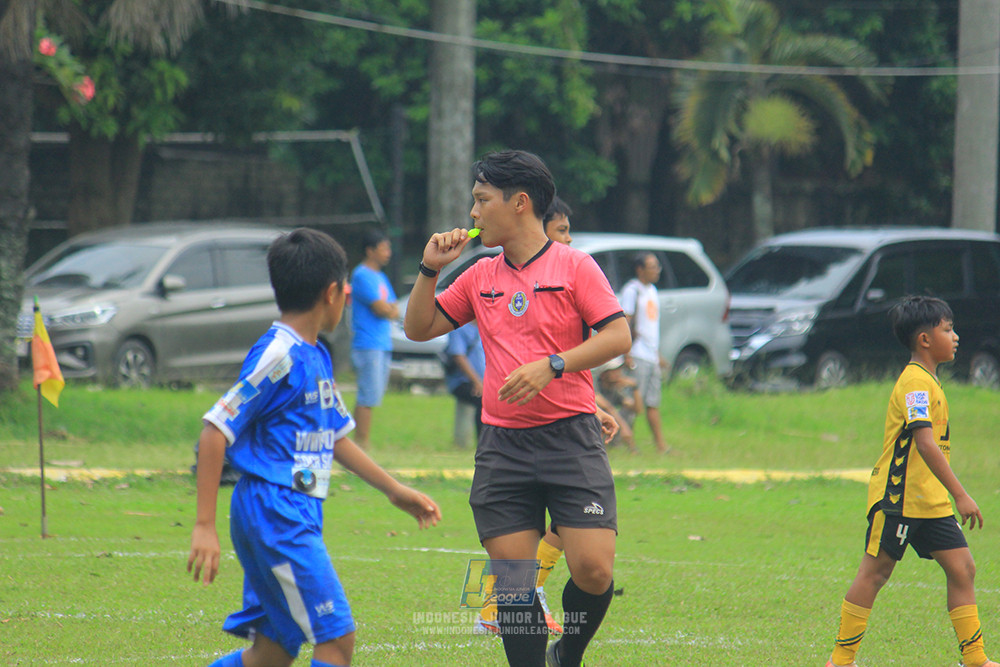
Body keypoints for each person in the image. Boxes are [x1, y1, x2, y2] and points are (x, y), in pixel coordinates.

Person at [405, 150, 631, 667]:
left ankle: (566, 654)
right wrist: (428, 271)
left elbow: (618, 335)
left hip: (571, 438)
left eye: (482, 200)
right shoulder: (480, 274)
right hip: (503, 446)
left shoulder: (575, 266)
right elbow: (418, 329)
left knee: (593, 570)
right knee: (513, 580)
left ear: (520, 203)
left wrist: (553, 365)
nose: (475, 213)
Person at [187, 227, 441, 667]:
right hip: (275, 513)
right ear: (332, 294)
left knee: (273, 652)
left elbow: (336, 436)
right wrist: (204, 525)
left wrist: (394, 490)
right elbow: (215, 429)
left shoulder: (315, 354)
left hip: (289, 509)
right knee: (337, 640)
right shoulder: (279, 354)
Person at [824, 296, 997, 667]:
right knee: (875, 573)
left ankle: (976, 660)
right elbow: (924, 442)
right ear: (924, 339)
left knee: (963, 568)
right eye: (947, 329)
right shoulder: (914, 384)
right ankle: (840, 661)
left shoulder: (930, 381)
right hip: (899, 499)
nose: (955, 337)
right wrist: (962, 494)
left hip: (930, 501)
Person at [349, 228, 399, 449]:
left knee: (374, 393)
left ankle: (360, 442)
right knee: (367, 395)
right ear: (370, 251)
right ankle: (361, 443)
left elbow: (394, 309)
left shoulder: (380, 277)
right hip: (368, 343)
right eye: (383, 248)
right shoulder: (361, 275)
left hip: (381, 342)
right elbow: (381, 309)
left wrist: (387, 309)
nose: (388, 252)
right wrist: (387, 308)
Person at [619, 251, 670, 453]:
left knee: (652, 401)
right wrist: (626, 352)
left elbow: (650, 328)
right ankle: (625, 442)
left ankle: (661, 446)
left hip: (650, 355)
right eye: (652, 266)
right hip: (637, 354)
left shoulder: (653, 291)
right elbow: (626, 321)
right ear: (640, 270)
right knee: (632, 402)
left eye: (657, 266)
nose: (657, 270)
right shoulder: (633, 290)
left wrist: (658, 355)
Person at [444, 321, 486, 442]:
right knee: (482, 401)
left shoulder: (483, 326)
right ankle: (482, 441)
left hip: (483, 381)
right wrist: (476, 382)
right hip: (462, 381)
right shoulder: (459, 329)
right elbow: (458, 356)